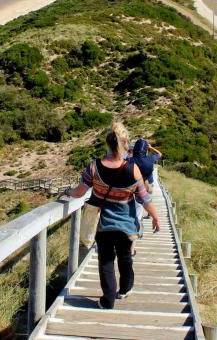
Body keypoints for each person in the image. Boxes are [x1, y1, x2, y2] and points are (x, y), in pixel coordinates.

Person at [63, 122, 161, 310]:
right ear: (125, 144)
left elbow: (79, 192)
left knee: (106, 261)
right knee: (125, 257)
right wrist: (155, 218)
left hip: (103, 223)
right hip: (126, 224)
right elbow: (144, 198)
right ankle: (125, 289)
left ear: (107, 143)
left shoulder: (94, 167)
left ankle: (108, 300)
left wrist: (67, 191)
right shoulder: (133, 169)